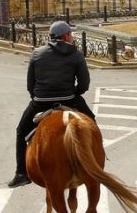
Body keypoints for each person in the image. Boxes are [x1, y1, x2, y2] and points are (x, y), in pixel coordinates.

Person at [8, 20, 96, 188]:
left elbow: (30, 84)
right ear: (65, 36)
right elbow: (84, 84)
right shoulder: (76, 55)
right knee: (91, 121)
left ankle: (21, 173)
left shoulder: (36, 53)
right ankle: (97, 161)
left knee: (21, 131)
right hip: (68, 99)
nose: (71, 37)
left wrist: (38, 97)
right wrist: (74, 94)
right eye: (70, 34)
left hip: (40, 102)